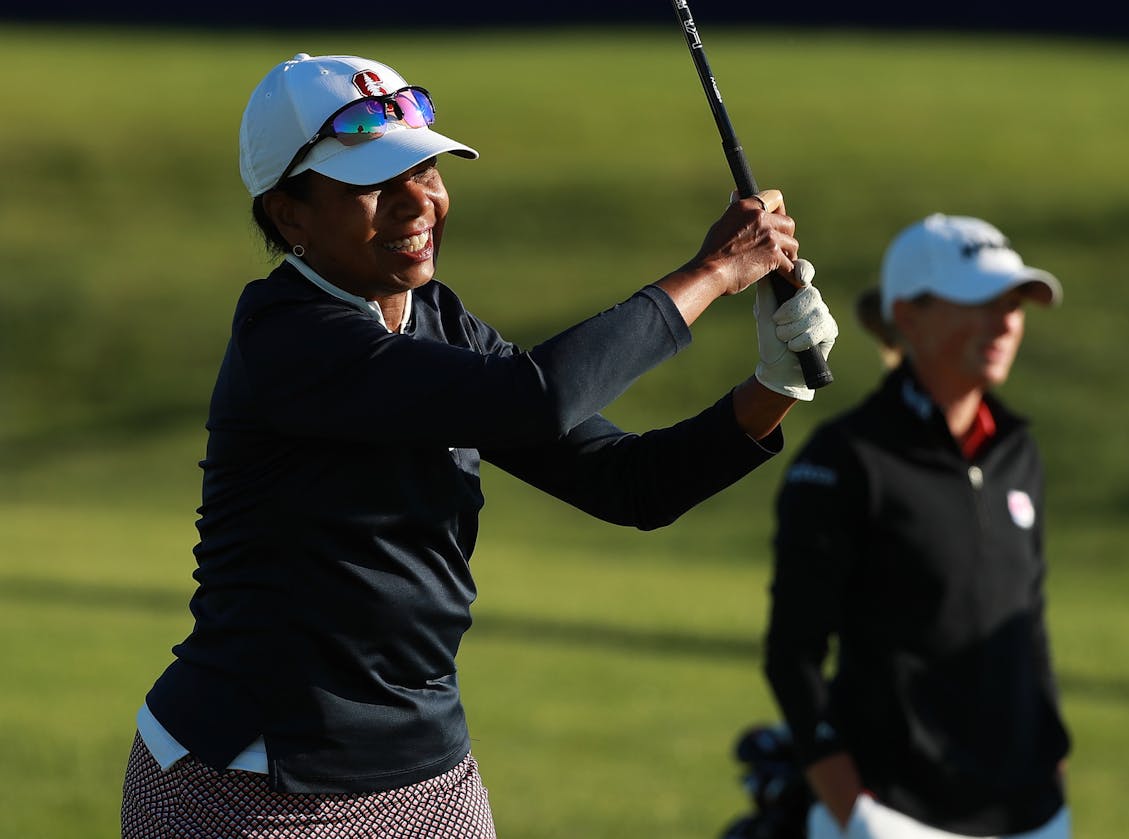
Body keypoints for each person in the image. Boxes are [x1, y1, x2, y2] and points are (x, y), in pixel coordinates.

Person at [119, 52, 837, 839]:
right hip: (248, 779)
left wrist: (774, 385)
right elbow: (536, 397)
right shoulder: (287, 338)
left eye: (425, 170)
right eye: (374, 184)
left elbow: (632, 485)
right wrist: (713, 273)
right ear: (289, 214)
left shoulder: (438, 319)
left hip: (426, 769)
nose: (416, 202)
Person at [763, 214, 1071, 839]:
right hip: (895, 814)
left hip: (1031, 813)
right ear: (909, 316)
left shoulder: (1018, 452)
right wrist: (854, 810)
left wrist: (1053, 768)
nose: (1007, 321)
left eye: (1014, 303)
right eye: (982, 301)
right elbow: (791, 654)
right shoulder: (846, 459)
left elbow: (1028, 627)